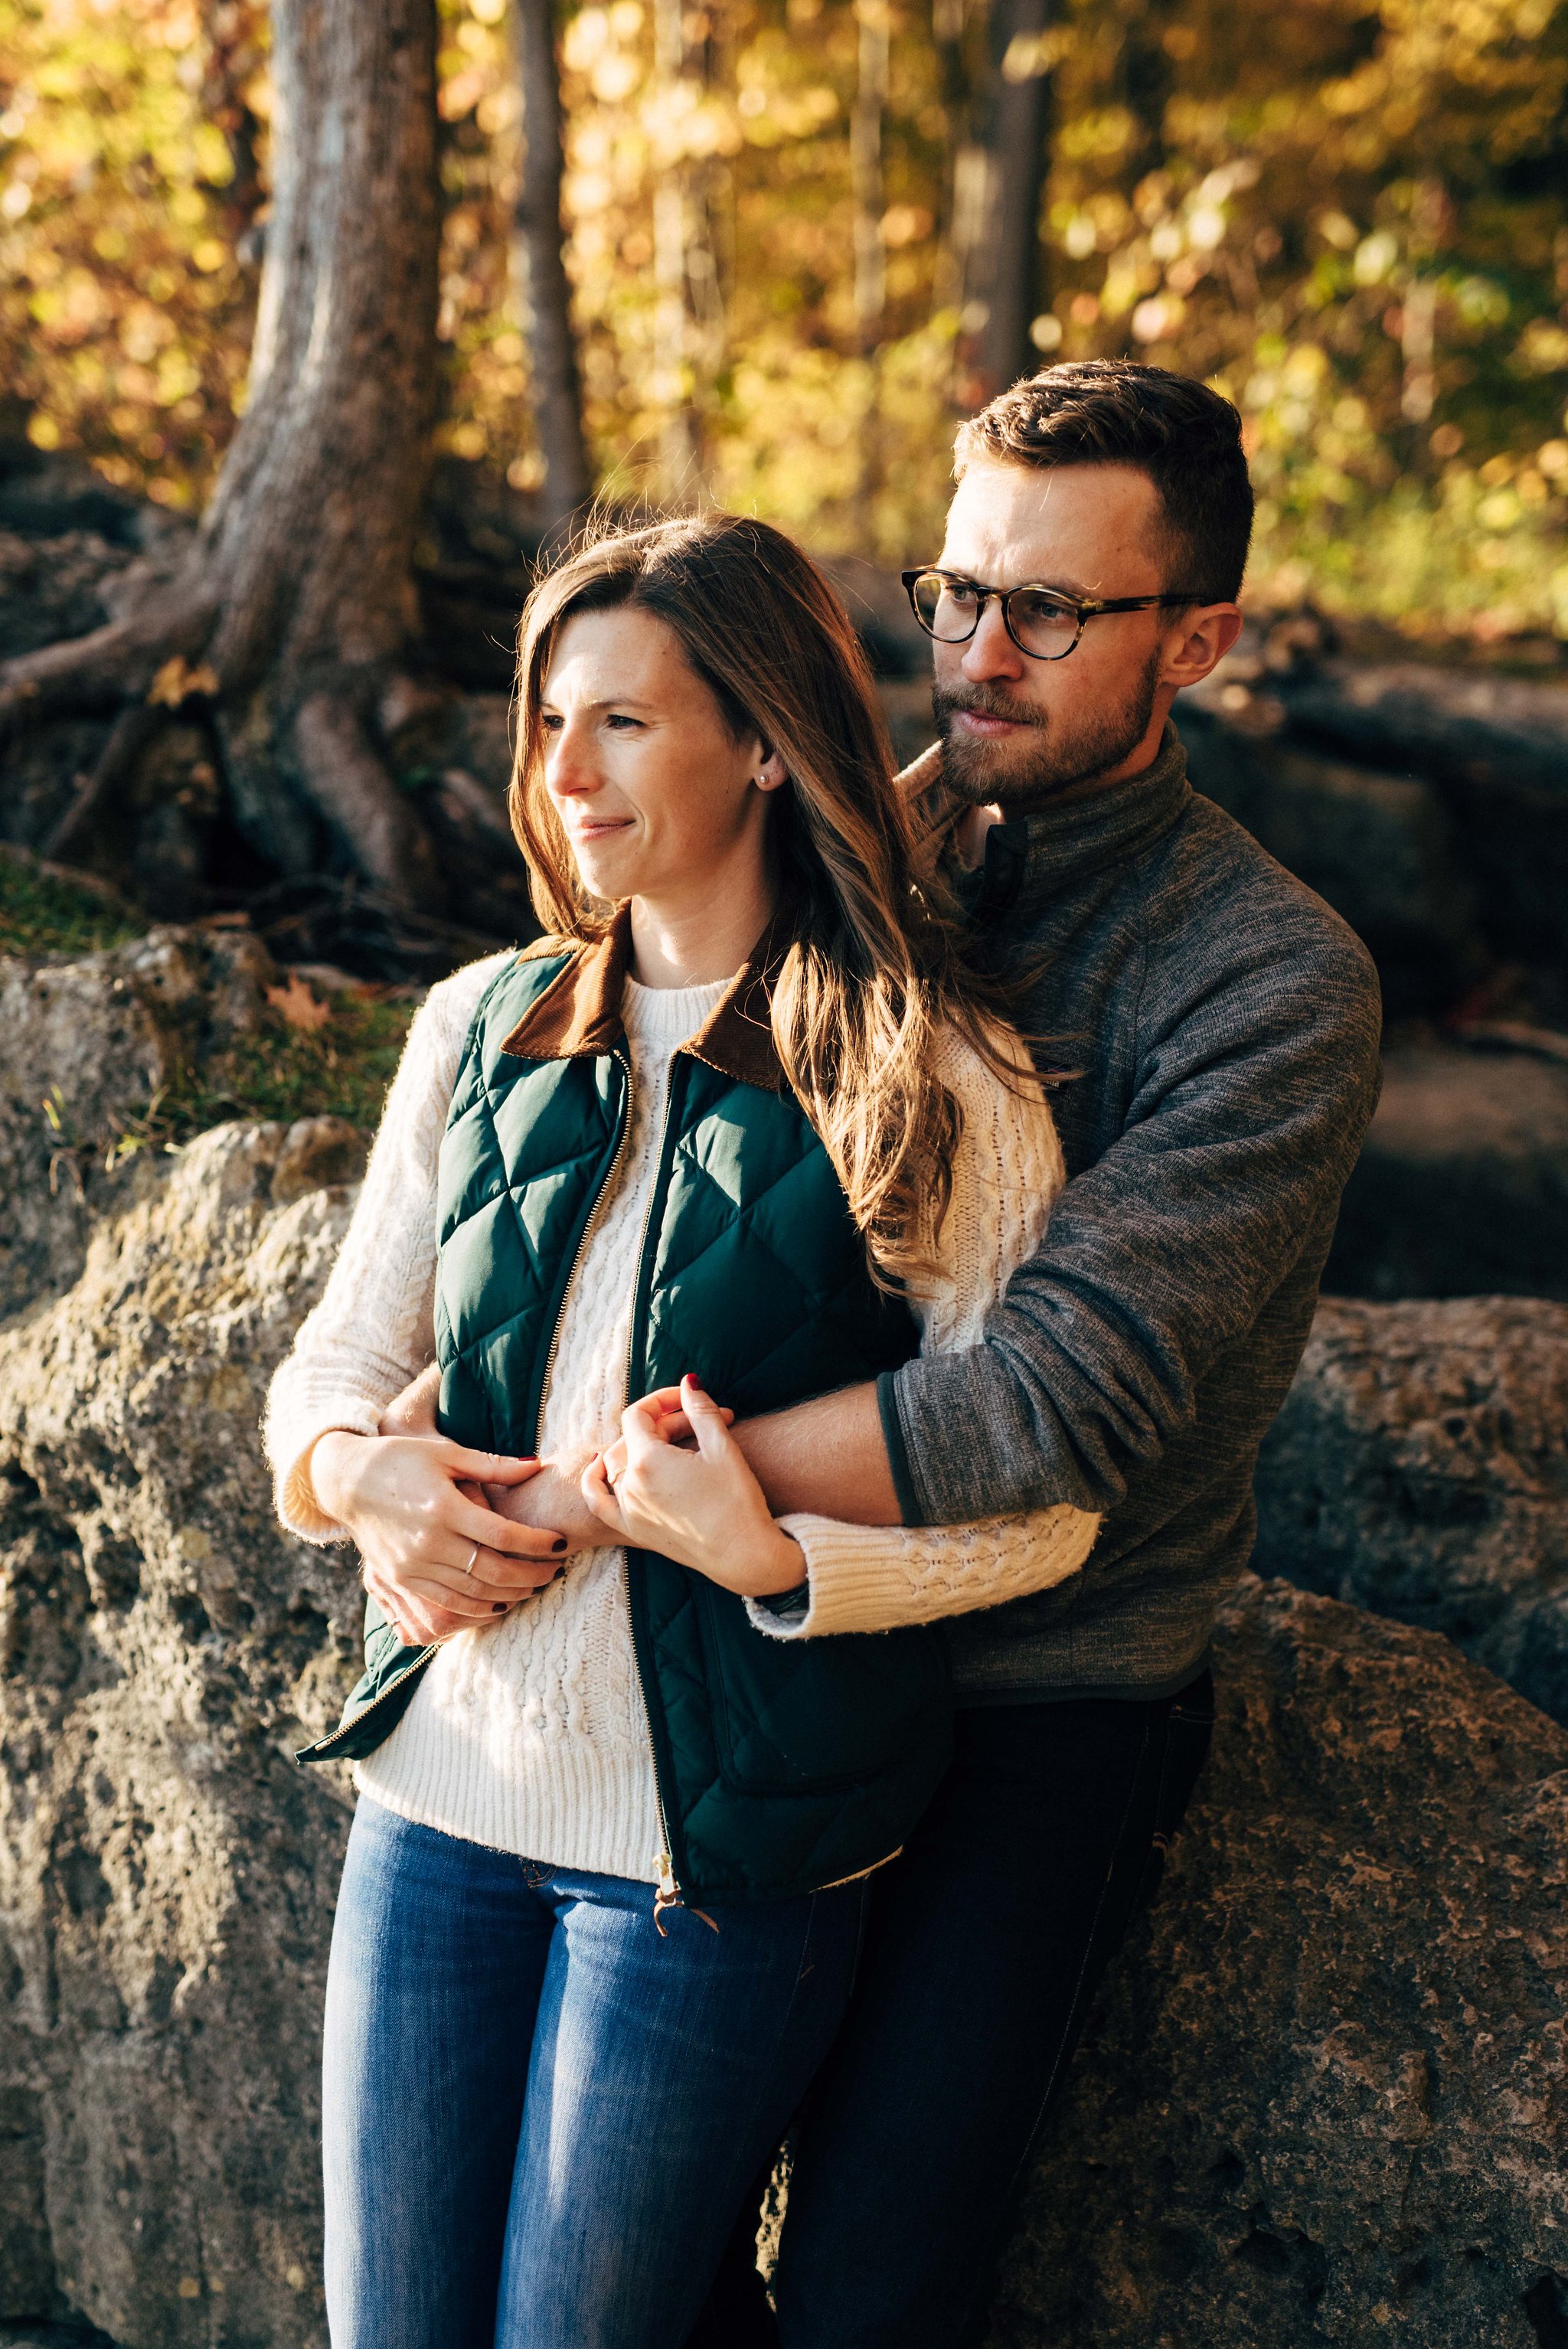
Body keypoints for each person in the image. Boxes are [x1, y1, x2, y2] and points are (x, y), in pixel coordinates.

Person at [263, 510, 1104, 2349]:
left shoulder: (931, 1072)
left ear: (766, 741)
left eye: (625, 723)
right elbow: (329, 1371)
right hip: (435, 1811)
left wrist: (781, 1561)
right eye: (549, 720)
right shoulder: (483, 1024)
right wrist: (366, 1479)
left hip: (714, 1869)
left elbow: (1044, 1512)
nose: (564, 772)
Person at [666, 359, 1382, 2346]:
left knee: (877, 2293)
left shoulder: (1268, 979)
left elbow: (1046, 1406)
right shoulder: (826, 862)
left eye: (1050, 610)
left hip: (1040, 1708)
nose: (978, 653)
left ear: (1203, 641)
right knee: (625, 2241)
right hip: (749, 1630)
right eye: (957, 590)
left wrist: (622, 1491)